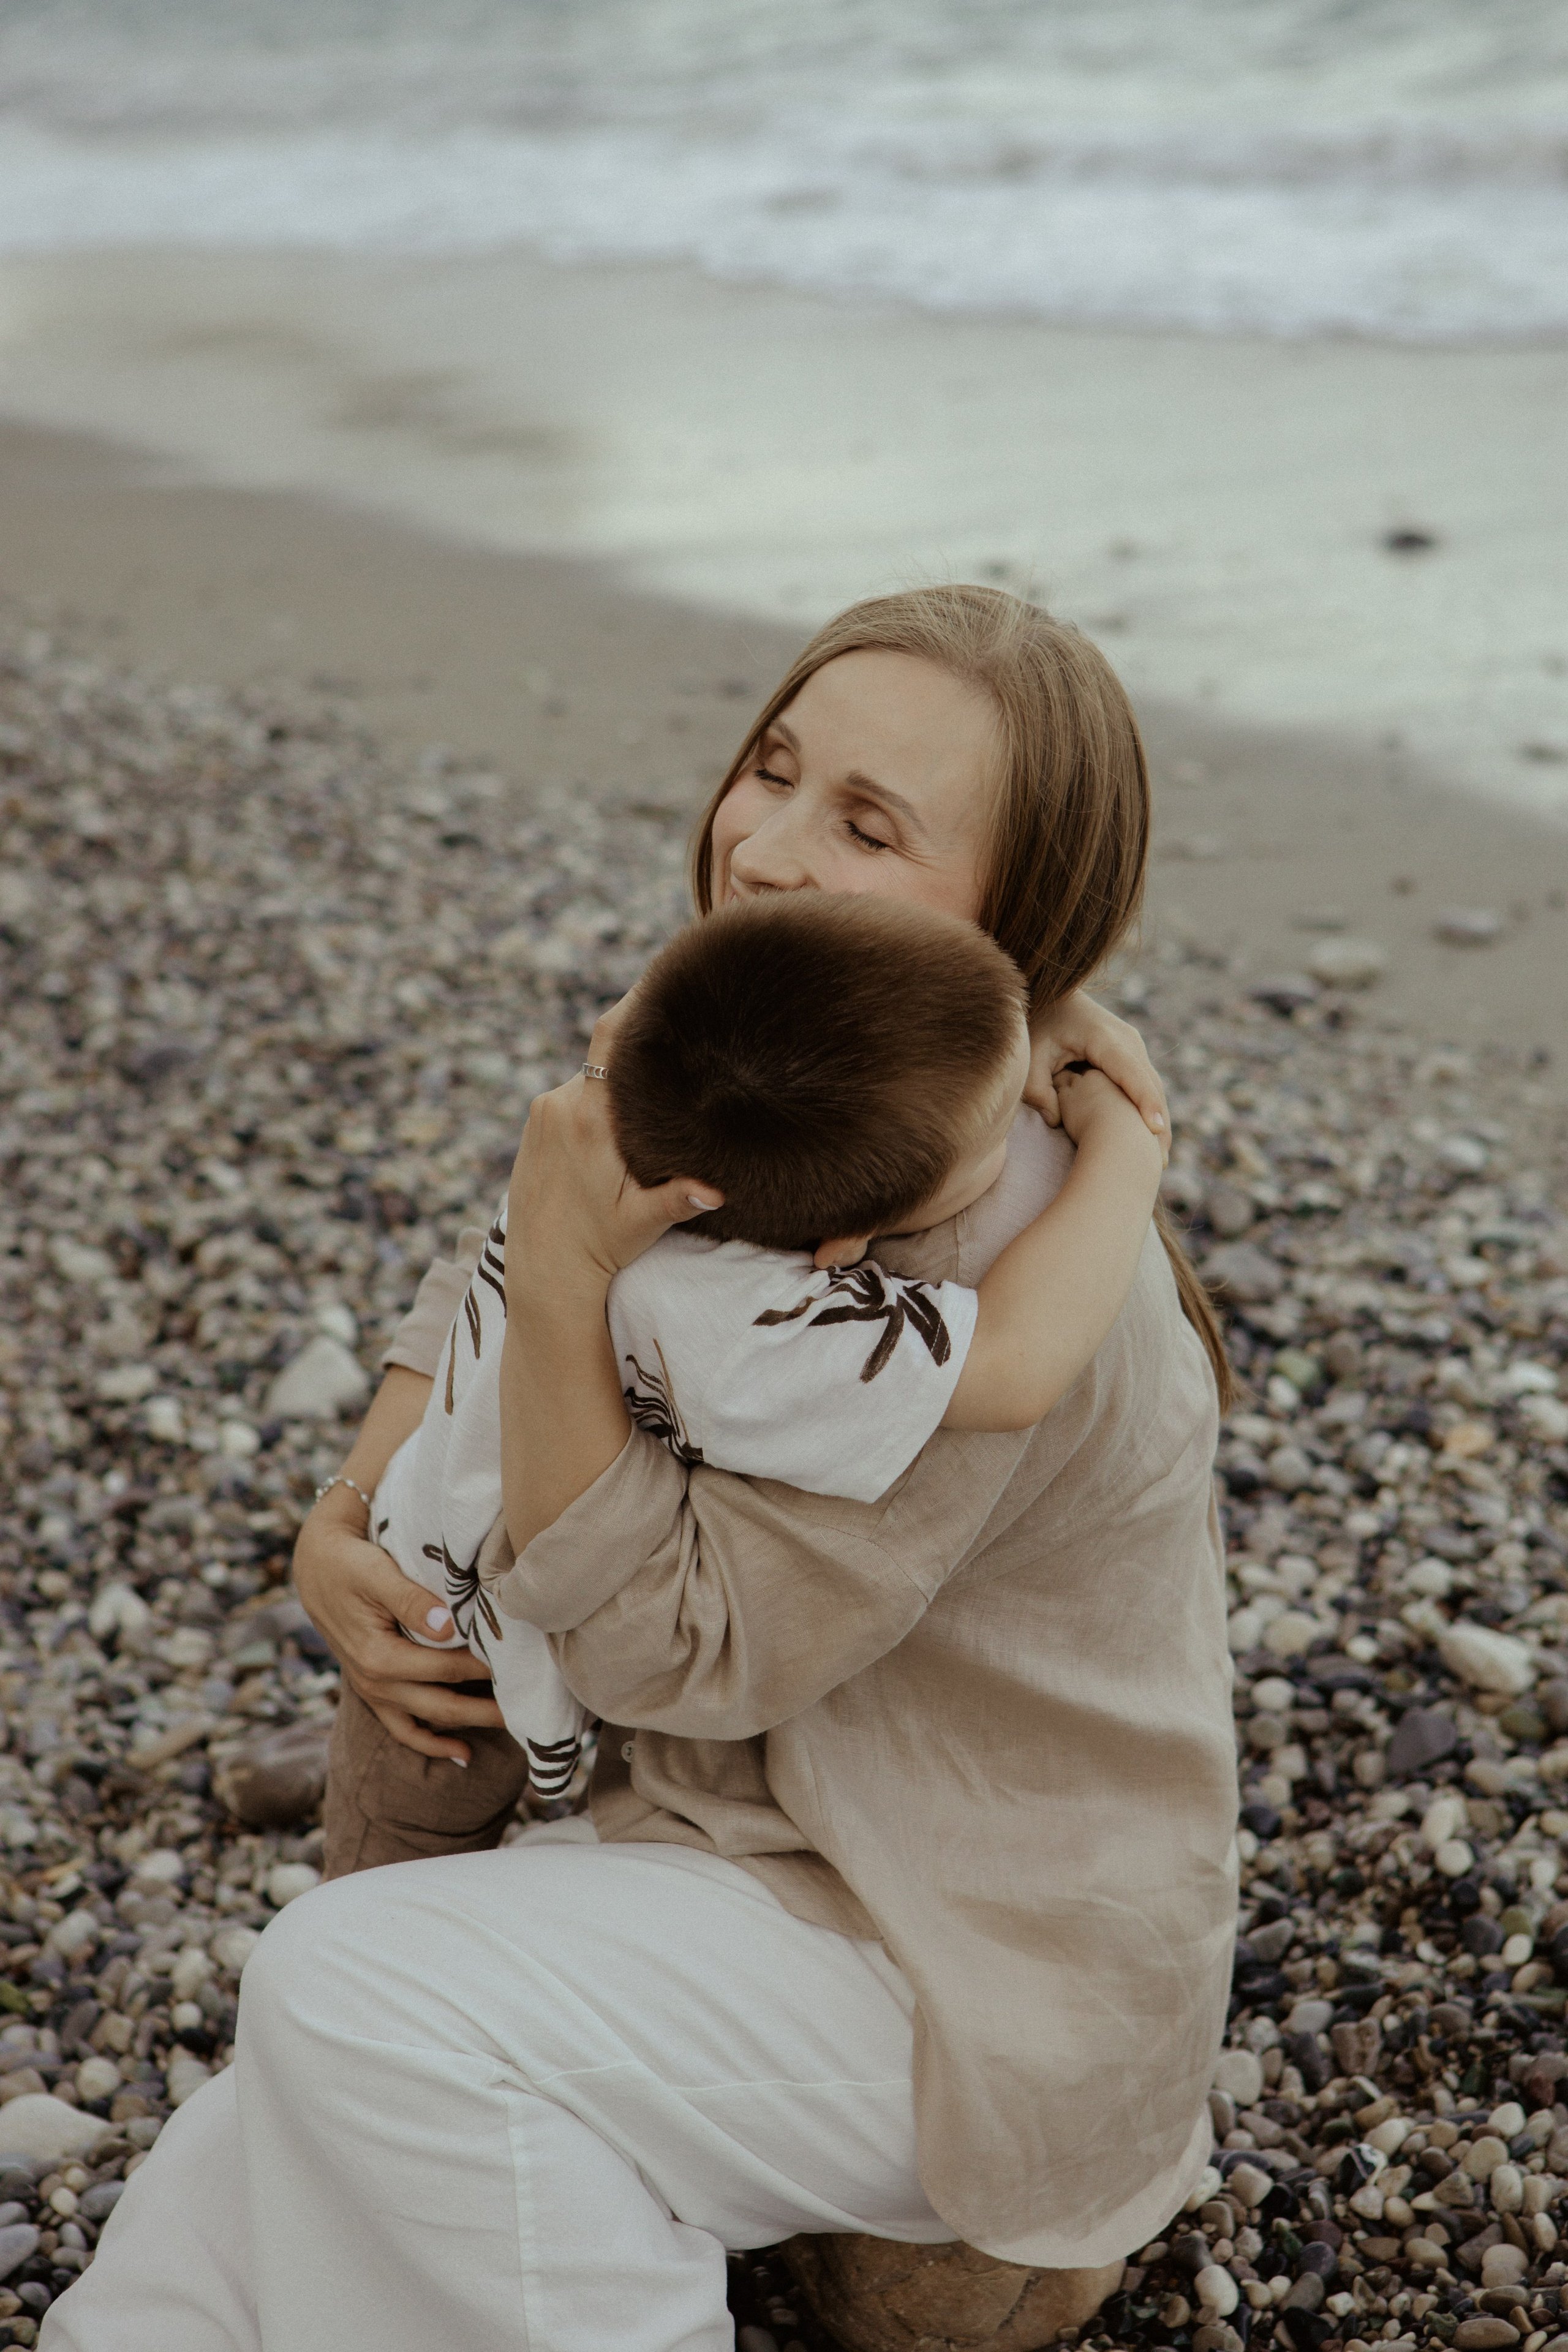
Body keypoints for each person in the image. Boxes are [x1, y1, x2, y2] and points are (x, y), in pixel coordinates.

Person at [45, 586, 1238, 2352]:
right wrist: (343, 1526)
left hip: (952, 1962)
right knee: (223, 2181)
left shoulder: (986, 1238)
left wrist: (567, 1276)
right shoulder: (762, 1061)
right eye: (774, 768)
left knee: (351, 1992)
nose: (765, 847)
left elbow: (672, 1648)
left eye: (869, 827)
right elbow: (497, 1271)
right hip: (702, 1853)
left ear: (1019, 916)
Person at [374, 892, 1166, 1801]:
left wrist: (1038, 1008)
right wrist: (1128, 1145)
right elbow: (1016, 1366)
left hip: (415, 1499)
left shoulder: (594, 1140)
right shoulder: (758, 1331)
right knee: (415, 1805)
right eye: (998, 1143)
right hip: (459, 1634)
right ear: (843, 1248)